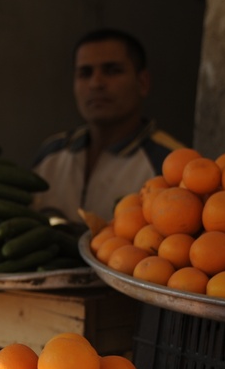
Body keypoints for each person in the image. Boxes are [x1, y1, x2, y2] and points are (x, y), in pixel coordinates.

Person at [32, 28, 185, 225]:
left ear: (143, 83)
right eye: (85, 73)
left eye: (112, 71)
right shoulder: (51, 153)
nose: (96, 83)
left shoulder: (169, 163)